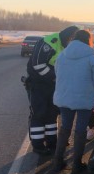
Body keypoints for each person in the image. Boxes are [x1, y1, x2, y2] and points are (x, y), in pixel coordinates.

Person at [53, 29, 94, 173]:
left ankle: (57, 161)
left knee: (65, 128)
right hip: (84, 99)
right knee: (80, 130)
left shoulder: (62, 56)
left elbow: (57, 74)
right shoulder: (93, 58)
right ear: (88, 40)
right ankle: (77, 164)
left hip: (65, 97)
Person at [27, 26, 79, 155]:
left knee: (52, 114)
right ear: (69, 36)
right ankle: (38, 145)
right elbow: (38, 65)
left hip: (53, 85)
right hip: (38, 83)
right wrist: (56, 78)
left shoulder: (67, 46)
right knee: (39, 114)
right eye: (73, 39)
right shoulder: (50, 42)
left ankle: (52, 143)